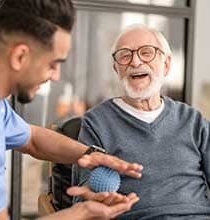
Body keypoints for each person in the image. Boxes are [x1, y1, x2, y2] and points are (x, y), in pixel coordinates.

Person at [0, 1, 145, 219]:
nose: (56, 76)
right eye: (53, 64)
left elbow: (32, 138)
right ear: (20, 56)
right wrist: (82, 213)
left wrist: (90, 155)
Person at [74, 24, 210, 219]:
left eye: (146, 52)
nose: (135, 61)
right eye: (125, 55)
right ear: (116, 68)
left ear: (166, 64)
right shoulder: (97, 123)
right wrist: (98, 199)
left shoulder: (192, 120)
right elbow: (84, 198)